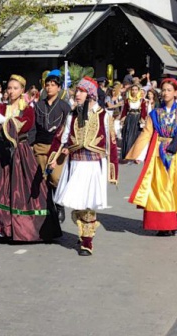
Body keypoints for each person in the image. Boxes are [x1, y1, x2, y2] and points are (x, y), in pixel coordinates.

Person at [0, 75, 62, 242]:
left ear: (22, 90)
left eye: (15, 88)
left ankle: (23, 226)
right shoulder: (1, 107)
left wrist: (7, 121)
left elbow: (26, 123)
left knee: (20, 189)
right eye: (9, 88)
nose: (11, 91)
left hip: (20, 153)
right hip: (1, 153)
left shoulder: (27, 109)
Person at [126, 78, 177, 236]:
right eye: (164, 90)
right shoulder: (155, 113)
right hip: (158, 154)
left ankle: (172, 222)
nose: (166, 93)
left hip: (176, 155)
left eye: (169, 90)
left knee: (174, 188)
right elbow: (147, 134)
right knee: (159, 188)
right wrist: (138, 153)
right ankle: (163, 224)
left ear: (176, 93)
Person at [52, 77, 119, 256]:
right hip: (75, 164)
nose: (77, 95)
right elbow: (61, 138)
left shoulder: (105, 116)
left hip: (93, 165)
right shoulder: (72, 115)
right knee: (77, 203)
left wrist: (113, 172)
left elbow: (111, 145)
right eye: (76, 91)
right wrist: (54, 157)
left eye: (81, 91)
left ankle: (87, 242)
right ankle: (84, 232)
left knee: (89, 204)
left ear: (90, 94)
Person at [33, 69, 71, 223]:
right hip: (40, 145)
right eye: (47, 85)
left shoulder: (64, 106)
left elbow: (69, 127)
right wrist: (30, 144)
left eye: (53, 85)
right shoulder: (38, 105)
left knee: (55, 177)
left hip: (56, 147)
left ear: (59, 87)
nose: (49, 87)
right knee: (43, 178)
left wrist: (67, 145)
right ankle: (47, 207)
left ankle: (59, 204)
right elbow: (33, 126)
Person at [120, 83, 147, 161]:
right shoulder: (128, 100)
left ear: (138, 91)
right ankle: (127, 155)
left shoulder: (142, 100)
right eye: (133, 90)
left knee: (136, 136)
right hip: (130, 118)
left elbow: (144, 111)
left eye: (136, 90)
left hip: (137, 118)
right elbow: (124, 111)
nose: (134, 91)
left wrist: (142, 119)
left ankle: (136, 155)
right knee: (128, 136)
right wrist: (122, 119)